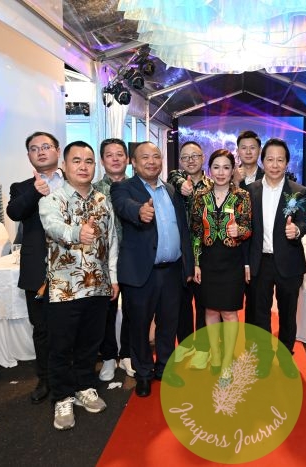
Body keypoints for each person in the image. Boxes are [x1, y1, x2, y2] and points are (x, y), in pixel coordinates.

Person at [39, 141, 118, 430]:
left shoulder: (102, 200)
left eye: (88, 161)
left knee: (89, 343)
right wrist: (76, 233)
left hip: (98, 285)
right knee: (61, 347)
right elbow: (52, 226)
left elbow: (112, 240)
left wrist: (113, 277)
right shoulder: (52, 199)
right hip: (65, 288)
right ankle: (62, 397)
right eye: (76, 161)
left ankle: (85, 386)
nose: (83, 166)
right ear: (64, 165)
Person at [111, 142, 194, 398]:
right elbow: (123, 206)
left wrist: (188, 265)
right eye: (144, 157)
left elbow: (182, 229)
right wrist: (139, 211)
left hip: (172, 271)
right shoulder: (123, 187)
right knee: (139, 325)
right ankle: (144, 374)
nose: (151, 161)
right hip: (140, 273)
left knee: (168, 324)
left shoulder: (170, 190)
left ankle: (164, 368)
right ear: (134, 163)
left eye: (156, 156)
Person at [6, 131, 64, 404]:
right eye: (34, 148)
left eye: (46, 146)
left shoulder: (74, 181)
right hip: (37, 269)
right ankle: (45, 379)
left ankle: (72, 375)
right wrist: (35, 190)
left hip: (73, 268)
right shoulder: (21, 187)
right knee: (41, 329)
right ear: (29, 155)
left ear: (57, 151)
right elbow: (14, 212)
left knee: (72, 325)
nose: (40, 151)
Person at [244, 138, 306, 378]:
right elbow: (247, 229)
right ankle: (262, 358)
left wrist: (297, 230)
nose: (274, 164)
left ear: (287, 163)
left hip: (289, 261)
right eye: (270, 159)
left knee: (287, 313)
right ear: (263, 161)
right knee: (259, 313)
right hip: (260, 261)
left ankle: (284, 355)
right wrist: (246, 263)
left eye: (280, 160)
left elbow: (304, 221)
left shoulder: (298, 191)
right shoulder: (250, 191)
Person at [191, 149, 251, 381]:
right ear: (209, 170)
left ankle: (227, 361)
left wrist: (240, 230)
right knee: (209, 310)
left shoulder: (242, 196)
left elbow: (249, 229)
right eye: (216, 167)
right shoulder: (200, 197)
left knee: (229, 312)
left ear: (233, 170)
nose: (221, 172)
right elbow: (196, 232)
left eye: (226, 167)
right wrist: (196, 262)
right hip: (208, 261)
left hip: (232, 262)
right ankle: (215, 357)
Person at [168, 141, 214, 369]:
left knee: (204, 303)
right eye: (185, 157)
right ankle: (185, 345)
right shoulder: (173, 183)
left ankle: (203, 348)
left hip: (206, 253)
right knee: (182, 303)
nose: (190, 160)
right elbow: (174, 177)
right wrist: (181, 184)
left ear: (203, 158)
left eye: (195, 156)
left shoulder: (213, 185)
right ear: (180, 161)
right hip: (181, 254)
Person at [92, 138, 134, 381]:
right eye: (110, 155)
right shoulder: (93, 190)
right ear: (102, 160)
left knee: (132, 310)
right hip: (104, 261)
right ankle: (108, 356)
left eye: (120, 154)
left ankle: (127, 353)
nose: (115, 159)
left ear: (127, 159)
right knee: (105, 311)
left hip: (133, 259)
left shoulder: (137, 187)